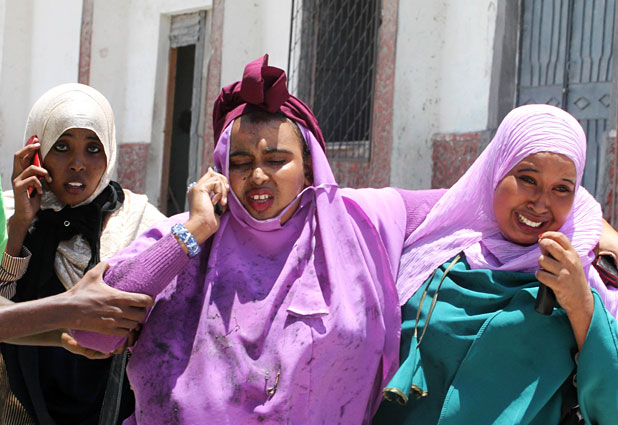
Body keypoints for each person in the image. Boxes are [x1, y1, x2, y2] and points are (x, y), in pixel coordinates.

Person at [71, 55, 455, 424]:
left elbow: (471, 202)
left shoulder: (359, 225)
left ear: (309, 167)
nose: (257, 176)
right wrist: (194, 232)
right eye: (240, 163)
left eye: (276, 161)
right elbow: (89, 330)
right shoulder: (183, 238)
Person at [374, 104, 618, 424]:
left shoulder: (583, 280)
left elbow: (610, 407)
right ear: (496, 170)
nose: (540, 203)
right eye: (527, 179)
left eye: (561, 188)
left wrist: (582, 306)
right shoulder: (434, 252)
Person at [0, 83, 165, 425]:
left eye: (93, 148)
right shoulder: (8, 212)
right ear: (35, 153)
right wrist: (19, 227)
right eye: (61, 147)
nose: (78, 164)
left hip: (113, 408)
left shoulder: (140, 222)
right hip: (17, 406)